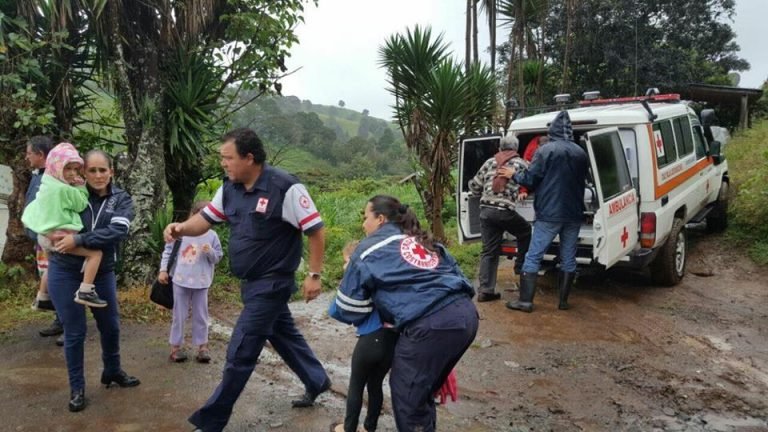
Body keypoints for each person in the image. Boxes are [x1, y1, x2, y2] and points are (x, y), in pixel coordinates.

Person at [163, 127, 331, 432]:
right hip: (251, 284)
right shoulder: (230, 189)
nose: (223, 164)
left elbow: (316, 230)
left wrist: (314, 274)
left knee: (241, 349)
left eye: (228, 158)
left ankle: (211, 422)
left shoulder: (285, 187)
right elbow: (205, 220)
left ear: (249, 157)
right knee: (283, 335)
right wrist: (180, 228)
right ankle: (317, 380)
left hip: (274, 283)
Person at [333, 195, 479, 431]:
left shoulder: (367, 249)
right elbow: (458, 277)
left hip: (429, 327)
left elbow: (346, 308)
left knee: (408, 399)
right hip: (466, 316)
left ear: (380, 219)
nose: (363, 224)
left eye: (365, 217)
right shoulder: (419, 238)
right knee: (421, 394)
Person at [46, 149, 140, 412]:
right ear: (83, 172)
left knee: (110, 326)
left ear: (111, 171)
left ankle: (112, 371)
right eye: (92, 170)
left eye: (103, 170)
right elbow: (36, 218)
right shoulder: (67, 191)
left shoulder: (121, 199)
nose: (98, 175)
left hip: (102, 272)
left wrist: (78, 239)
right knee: (75, 332)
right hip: (64, 270)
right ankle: (77, 388)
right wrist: (47, 235)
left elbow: (117, 232)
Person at [502, 110, 589, 312]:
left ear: (553, 131)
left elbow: (530, 178)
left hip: (549, 213)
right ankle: (563, 302)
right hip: (574, 213)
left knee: (533, 255)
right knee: (568, 256)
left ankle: (525, 302)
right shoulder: (580, 152)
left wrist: (514, 174)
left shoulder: (546, 150)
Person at [22, 142, 107, 308]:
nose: (73, 174)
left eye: (76, 169)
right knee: (95, 254)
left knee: (51, 265)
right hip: (61, 236)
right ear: (57, 166)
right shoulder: (63, 190)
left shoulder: (46, 183)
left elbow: (29, 213)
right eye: (68, 169)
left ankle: (42, 297)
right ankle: (86, 290)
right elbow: (80, 204)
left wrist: (44, 232)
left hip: (45, 235)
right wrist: (81, 187)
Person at [329, 240, 398, 432]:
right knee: (375, 386)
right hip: (390, 341)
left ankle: (349, 428)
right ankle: (370, 427)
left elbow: (335, 311)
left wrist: (345, 283)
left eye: (346, 262)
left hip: (369, 340)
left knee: (356, 386)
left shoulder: (358, 285)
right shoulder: (385, 279)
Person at [468, 134, 532, 302]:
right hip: (504, 211)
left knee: (488, 250)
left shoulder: (490, 162)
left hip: (486, 212)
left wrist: (479, 193)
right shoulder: (520, 163)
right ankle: (520, 265)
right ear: (516, 149)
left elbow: (474, 185)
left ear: (499, 148)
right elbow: (531, 181)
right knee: (525, 231)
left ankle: (485, 291)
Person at [158, 201, 223, 363]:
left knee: (201, 315)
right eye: (199, 215)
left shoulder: (212, 236)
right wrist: (163, 270)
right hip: (180, 279)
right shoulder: (181, 232)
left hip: (202, 282)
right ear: (193, 215)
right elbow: (168, 251)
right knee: (179, 315)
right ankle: (175, 347)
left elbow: (217, 258)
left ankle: (203, 347)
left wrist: (210, 252)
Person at [23, 137, 65, 343]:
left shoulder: (52, 178)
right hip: (42, 239)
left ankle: (69, 324)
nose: (26, 157)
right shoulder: (38, 175)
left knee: (60, 280)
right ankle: (60, 320)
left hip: (53, 239)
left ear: (40, 155)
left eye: (29, 153)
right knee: (50, 278)